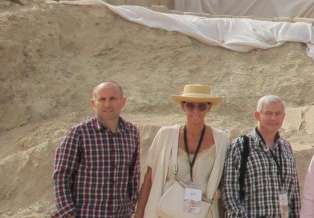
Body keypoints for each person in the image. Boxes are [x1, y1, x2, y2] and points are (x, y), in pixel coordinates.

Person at [136, 84, 230, 218]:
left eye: (201, 106)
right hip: (165, 213)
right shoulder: (165, 135)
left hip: (204, 213)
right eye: (190, 105)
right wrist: (139, 214)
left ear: (209, 108)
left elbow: (222, 186)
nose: (195, 111)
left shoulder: (221, 140)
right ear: (183, 106)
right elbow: (149, 179)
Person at [52, 81, 141, 218]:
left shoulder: (132, 132)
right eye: (102, 99)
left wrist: (130, 207)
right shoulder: (79, 133)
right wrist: (69, 214)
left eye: (112, 99)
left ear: (123, 101)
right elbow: (62, 176)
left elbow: (133, 175)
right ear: (93, 103)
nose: (107, 104)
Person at [221, 94, 301, 218]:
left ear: (283, 117)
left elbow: (294, 192)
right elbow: (230, 193)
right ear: (257, 115)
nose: (273, 118)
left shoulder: (286, 148)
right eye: (268, 113)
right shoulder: (241, 146)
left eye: (278, 113)